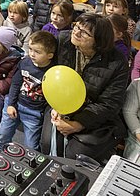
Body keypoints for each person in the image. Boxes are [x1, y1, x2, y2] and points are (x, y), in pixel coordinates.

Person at [41, 13, 129, 161]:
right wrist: (56, 106)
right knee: (47, 143)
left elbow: (110, 103)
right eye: (77, 26)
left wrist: (78, 124)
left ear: (98, 41)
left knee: (75, 155)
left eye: (85, 32)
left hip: (95, 116)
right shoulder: (64, 40)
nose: (76, 32)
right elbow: (52, 78)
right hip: (60, 106)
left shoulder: (117, 62)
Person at [0, 31, 58, 150]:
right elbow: (15, 84)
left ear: (50, 55)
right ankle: (2, 154)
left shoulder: (54, 71)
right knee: (3, 135)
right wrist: (11, 104)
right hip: (15, 104)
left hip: (34, 112)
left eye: (37, 52)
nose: (32, 54)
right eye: (30, 49)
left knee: (31, 147)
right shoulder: (25, 62)